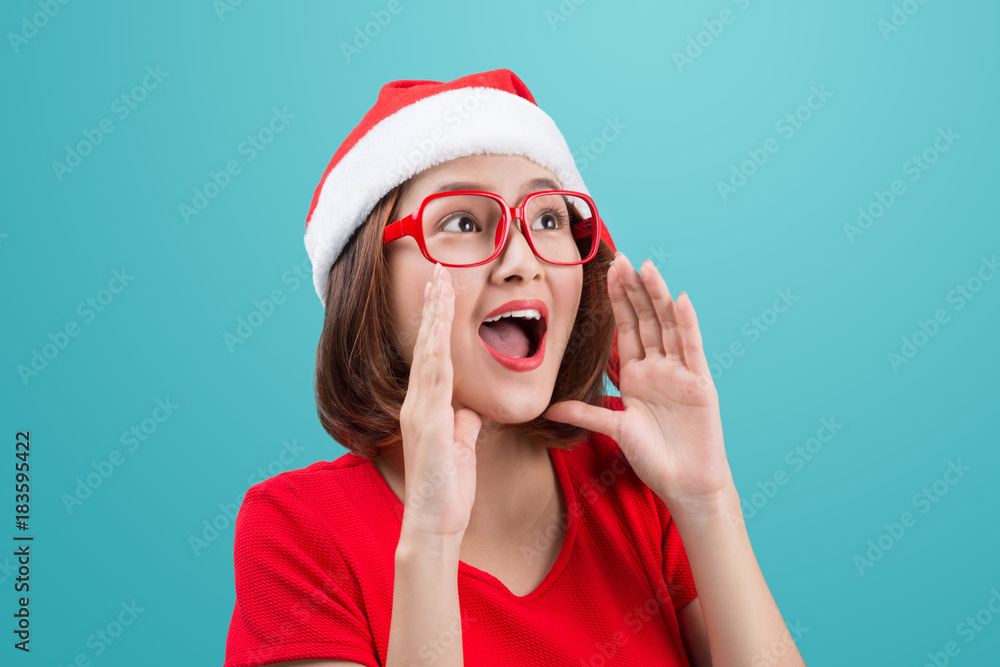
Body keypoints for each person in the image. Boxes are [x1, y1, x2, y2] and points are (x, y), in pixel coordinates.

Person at [222, 69, 806, 667]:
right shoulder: (298, 532)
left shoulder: (633, 471)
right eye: (464, 223)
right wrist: (429, 539)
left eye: (549, 219)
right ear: (371, 278)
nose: (522, 260)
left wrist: (706, 500)